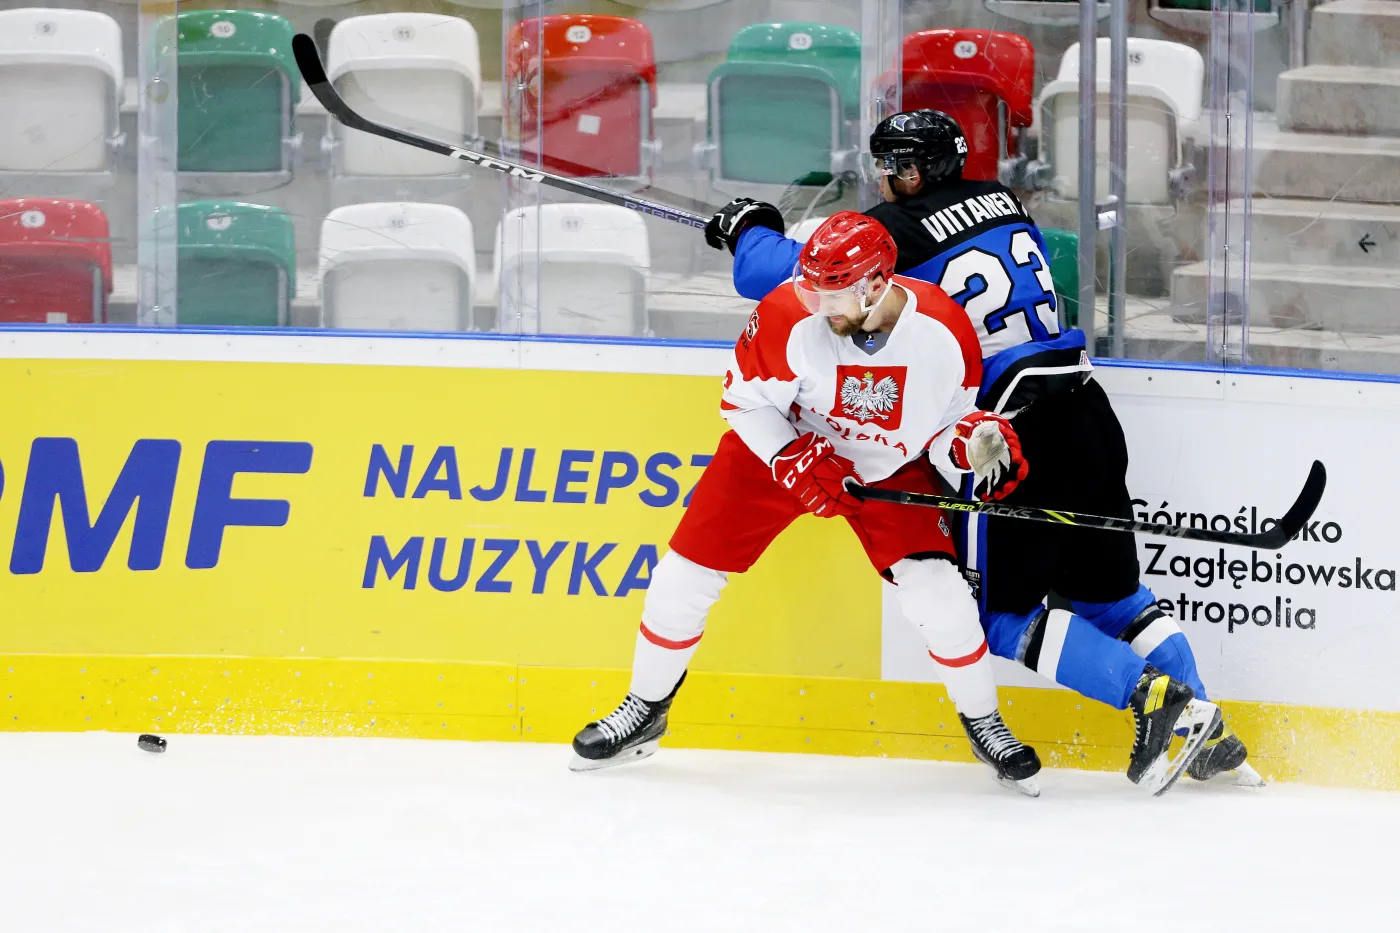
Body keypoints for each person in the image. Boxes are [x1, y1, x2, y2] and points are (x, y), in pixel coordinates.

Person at [704, 109, 1249, 790]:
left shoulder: (893, 233)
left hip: (1015, 428)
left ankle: (1158, 701)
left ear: (925, 168)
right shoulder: (1003, 198)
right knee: (1112, 597)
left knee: (998, 614)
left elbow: (781, 275)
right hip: (1085, 405)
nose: (885, 176)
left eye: (897, 164)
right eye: (882, 163)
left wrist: (750, 226)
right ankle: (1207, 726)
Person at [571, 212, 1045, 796]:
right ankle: (644, 709)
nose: (819, 305)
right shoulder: (786, 313)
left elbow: (944, 430)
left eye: (834, 293)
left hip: (888, 467)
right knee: (681, 577)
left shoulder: (944, 332)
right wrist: (789, 456)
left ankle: (984, 721)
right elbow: (742, 403)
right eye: (811, 289)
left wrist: (975, 445)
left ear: (875, 283)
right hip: (789, 445)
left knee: (940, 596)